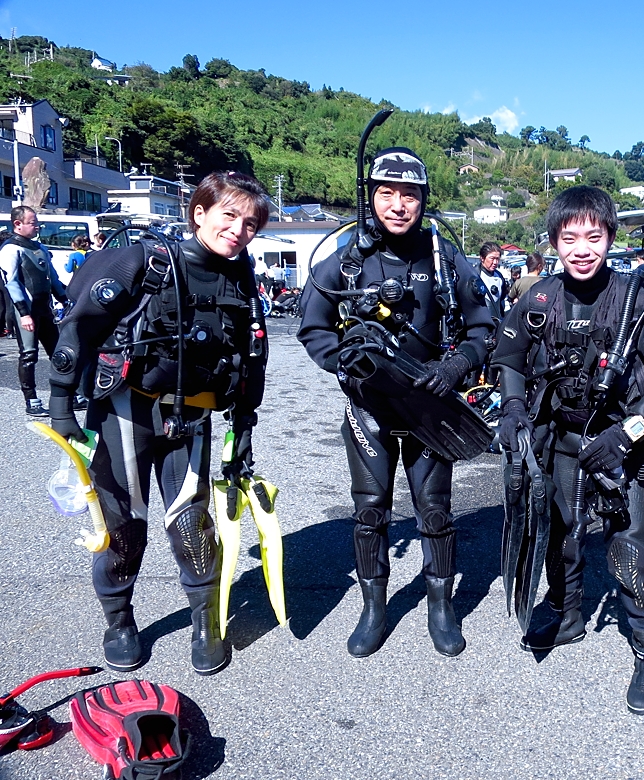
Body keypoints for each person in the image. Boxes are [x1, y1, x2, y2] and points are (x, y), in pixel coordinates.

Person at [47, 171, 272, 676]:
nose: (238, 230)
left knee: (193, 527)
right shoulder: (144, 262)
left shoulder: (241, 278)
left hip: (192, 416)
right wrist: (61, 410)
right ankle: (119, 620)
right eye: (229, 215)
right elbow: (76, 329)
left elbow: (249, 355)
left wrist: (244, 428)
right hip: (127, 410)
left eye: (250, 223)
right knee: (124, 528)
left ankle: (203, 622)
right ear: (200, 213)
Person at [492, 185, 644, 715]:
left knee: (629, 552)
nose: (582, 248)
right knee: (561, 537)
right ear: (554, 240)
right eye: (569, 237)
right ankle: (568, 614)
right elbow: (509, 356)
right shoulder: (538, 299)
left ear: (610, 237)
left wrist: (625, 434)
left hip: (625, 447)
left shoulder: (641, 304)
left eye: (593, 236)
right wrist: (513, 409)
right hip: (561, 442)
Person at [299, 146, 494, 658]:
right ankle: (374, 607)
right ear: (371, 196)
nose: (398, 204)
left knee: (435, 511)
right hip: (369, 407)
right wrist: (343, 365)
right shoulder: (346, 258)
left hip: (430, 404)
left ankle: (440, 605)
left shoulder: (443, 256)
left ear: (423, 201)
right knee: (370, 513)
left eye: (409, 194)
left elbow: (483, 326)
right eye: (387, 192)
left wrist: (454, 368)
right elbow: (312, 327)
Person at [0, 205, 82, 415]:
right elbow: (12, 283)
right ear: (18, 224)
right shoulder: (10, 249)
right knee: (29, 355)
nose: (38, 226)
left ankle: (69, 396)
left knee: (59, 353)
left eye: (37, 222)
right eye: (33, 223)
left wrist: (65, 300)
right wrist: (24, 313)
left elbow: (53, 279)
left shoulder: (40, 248)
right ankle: (31, 400)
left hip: (45, 309)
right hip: (25, 312)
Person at [476, 241, 508, 320]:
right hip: (479, 323)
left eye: (497, 259)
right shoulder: (474, 275)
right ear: (482, 258)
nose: (495, 262)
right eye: (492, 258)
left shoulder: (499, 276)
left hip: (497, 322)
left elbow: (503, 297)